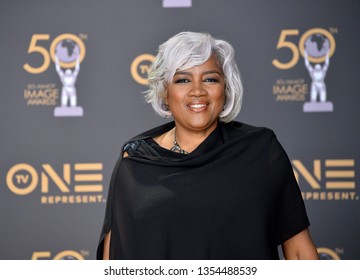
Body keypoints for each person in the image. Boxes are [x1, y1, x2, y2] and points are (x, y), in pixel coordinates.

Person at [97, 31, 319, 260]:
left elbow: (300, 252)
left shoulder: (261, 150)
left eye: (210, 79)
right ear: (165, 92)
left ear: (226, 87)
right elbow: (113, 257)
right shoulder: (135, 160)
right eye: (183, 79)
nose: (197, 91)